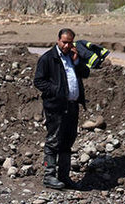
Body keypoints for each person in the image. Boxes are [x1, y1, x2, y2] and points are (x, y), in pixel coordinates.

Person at [34, 28, 90, 190]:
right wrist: (57, 90)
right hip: (56, 107)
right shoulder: (48, 58)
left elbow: (85, 73)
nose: (67, 45)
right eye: (64, 42)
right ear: (58, 40)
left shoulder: (72, 57)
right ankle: (49, 176)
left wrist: (77, 60)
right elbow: (38, 81)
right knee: (53, 141)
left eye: (70, 42)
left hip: (72, 106)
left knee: (68, 141)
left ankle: (64, 177)